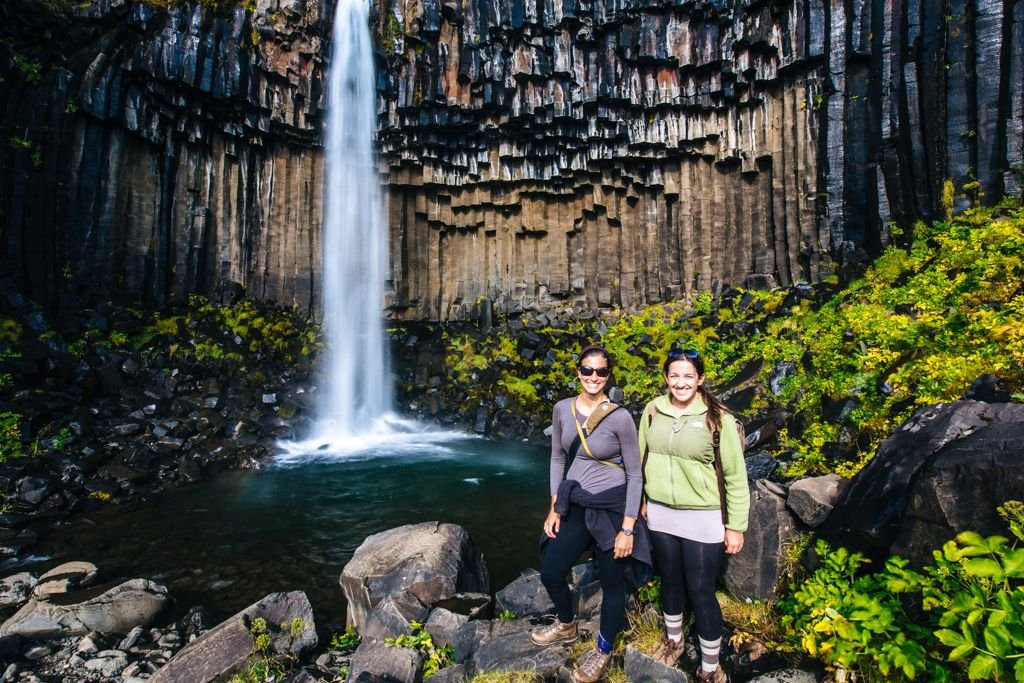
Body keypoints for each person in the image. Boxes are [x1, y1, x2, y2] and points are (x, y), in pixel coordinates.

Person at [531, 344, 652, 683]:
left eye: (601, 372)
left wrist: (628, 527)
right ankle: (567, 624)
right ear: (578, 373)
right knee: (551, 571)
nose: (594, 377)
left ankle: (603, 649)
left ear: (608, 375)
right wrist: (555, 506)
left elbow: (634, 474)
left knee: (613, 584)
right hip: (576, 503)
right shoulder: (561, 410)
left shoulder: (620, 417)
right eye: (587, 370)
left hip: (611, 508)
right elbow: (557, 458)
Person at [639, 348, 749, 683]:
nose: (681, 382)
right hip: (660, 511)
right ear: (666, 378)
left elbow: (734, 475)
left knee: (700, 590)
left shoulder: (719, 419)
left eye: (688, 376)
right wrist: (643, 499)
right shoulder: (652, 411)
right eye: (674, 375)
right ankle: (673, 640)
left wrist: (736, 526)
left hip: (703, 515)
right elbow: (641, 457)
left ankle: (711, 665)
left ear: (700, 379)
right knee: (670, 580)